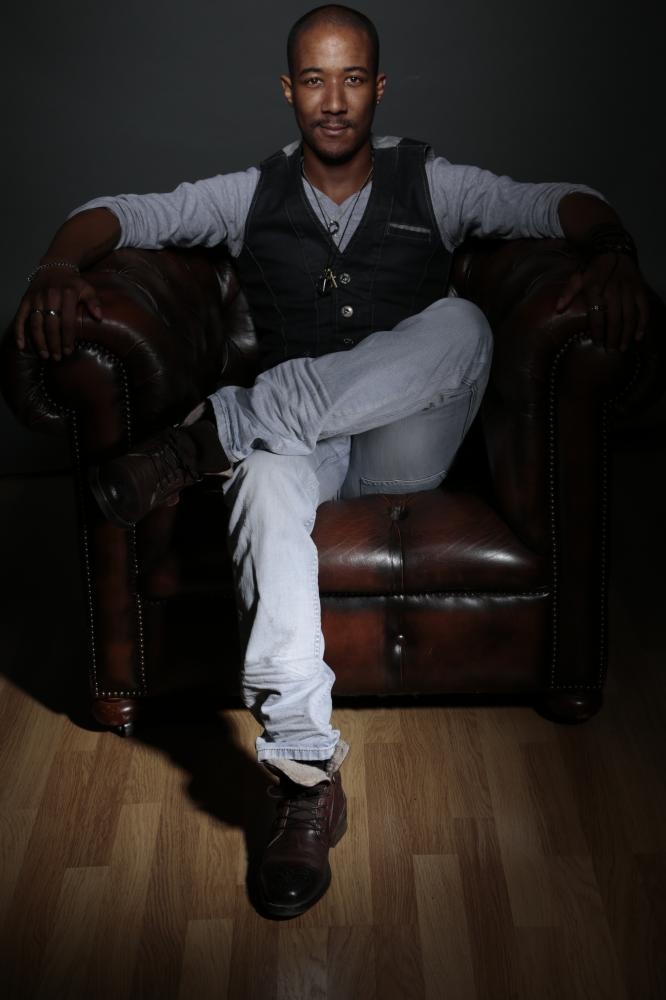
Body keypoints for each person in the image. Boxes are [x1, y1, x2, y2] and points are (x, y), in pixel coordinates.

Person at [14, 5, 648, 919]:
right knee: (266, 475)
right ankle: (305, 772)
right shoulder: (248, 195)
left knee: (462, 324)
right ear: (290, 90)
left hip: (403, 448)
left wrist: (614, 250)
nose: (335, 101)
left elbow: (555, 201)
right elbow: (118, 214)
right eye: (315, 80)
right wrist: (54, 268)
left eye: (352, 79)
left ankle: (209, 435)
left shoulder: (432, 181)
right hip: (298, 453)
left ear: (378, 88)